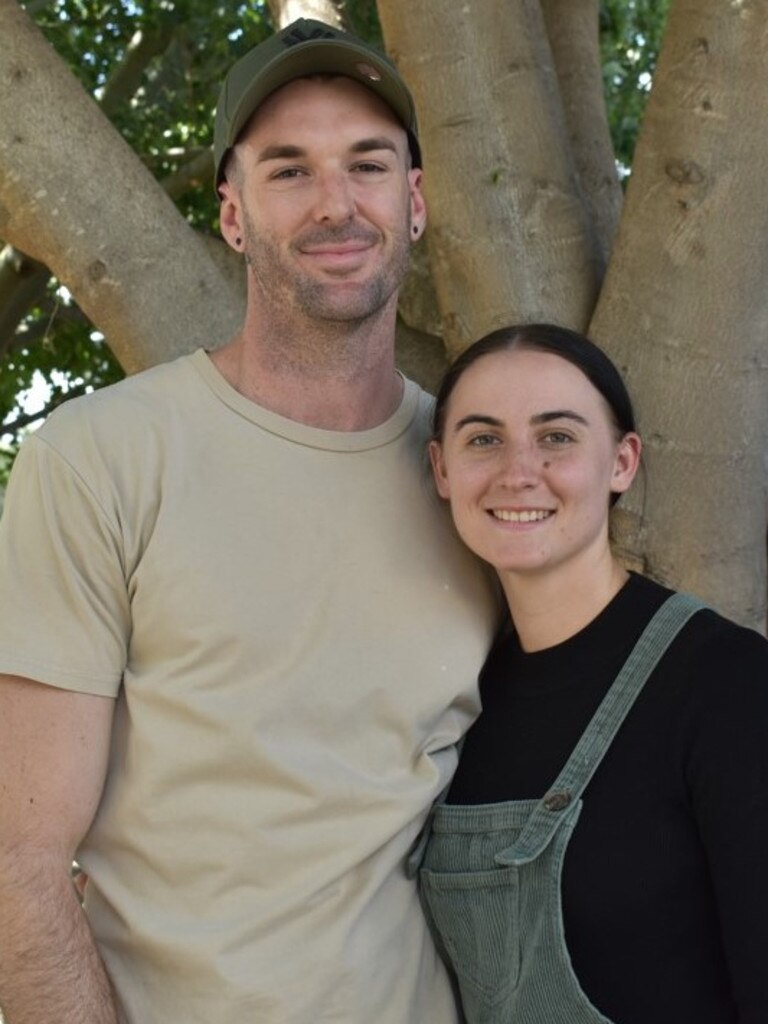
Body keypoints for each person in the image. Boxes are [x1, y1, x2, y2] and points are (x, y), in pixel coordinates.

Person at [0, 20, 497, 1024]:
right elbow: (19, 859)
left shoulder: (480, 485)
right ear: (232, 216)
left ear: (415, 203)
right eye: (289, 170)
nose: (335, 203)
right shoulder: (100, 458)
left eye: (367, 164)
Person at [414, 322, 768, 1024]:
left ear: (623, 462)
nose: (518, 471)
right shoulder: (458, 704)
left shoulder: (728, 685)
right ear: (441, 468)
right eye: (483, 438)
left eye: (557, 437)